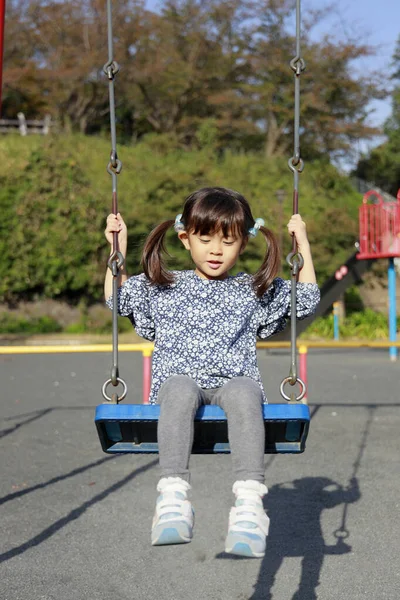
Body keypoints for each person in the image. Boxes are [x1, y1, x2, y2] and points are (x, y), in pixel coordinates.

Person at [104, 187, 320, 558]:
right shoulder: (164, 285)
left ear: (244, 243)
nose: (216, 250)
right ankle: (173, 496)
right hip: (179, 383)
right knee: (179, 388)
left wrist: (302, 244)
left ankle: (249, 505)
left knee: (244, 390)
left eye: (228, 241)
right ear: (185, 238)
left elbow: (308, 298)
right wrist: (116, 250)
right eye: (205, 239)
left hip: (231, 381)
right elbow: (116, 298)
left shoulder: (251, 289)